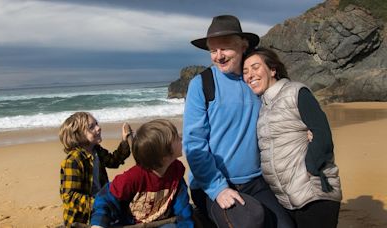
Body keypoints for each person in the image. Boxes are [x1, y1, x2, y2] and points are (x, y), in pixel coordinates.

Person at [183, 15, 294, 228]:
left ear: (243, 46)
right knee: (250, 222)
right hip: (211, 185)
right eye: (213, 51)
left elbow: (282, 110)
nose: (219, 56)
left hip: (257, 181)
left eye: (225, 48)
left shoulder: (255, 80)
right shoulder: (202, 84)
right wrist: (218, 189)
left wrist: (303, 130)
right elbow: (193, 144)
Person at [243, 47, 342, 228]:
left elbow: (322, 133)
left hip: (313, 194)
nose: (250, 75)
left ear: (273, 70)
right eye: (245, 71)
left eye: (255, 67)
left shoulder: (296, 92)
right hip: (286, 199)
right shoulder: (263, 107)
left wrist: (311, 167)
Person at [90, 119, 194, 228]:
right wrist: (99, 223)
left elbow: (182, 207)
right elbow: (106, 197)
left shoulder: (175, 171)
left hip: (161, 222)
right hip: (131, 224)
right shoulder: (134, 176)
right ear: (164, 157)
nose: (181, 139)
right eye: (176, 138)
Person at [59, 112, 133, 227]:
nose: (98, 128)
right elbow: (70, 197)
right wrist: (99, 202)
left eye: (96, 124)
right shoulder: (73, 161)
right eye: (91, 127)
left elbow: (113, 161)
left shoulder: (96, 150)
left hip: (101, 208)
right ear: (78, 135)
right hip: (81, 218)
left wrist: (124, 141)